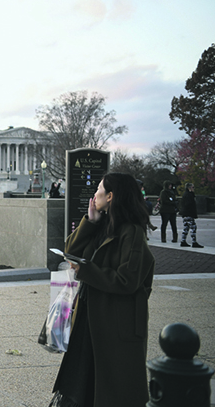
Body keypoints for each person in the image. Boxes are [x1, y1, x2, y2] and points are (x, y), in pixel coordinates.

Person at [49, 173, 154, 407]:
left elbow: (127, 280)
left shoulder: (132, 232)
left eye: (98, 189)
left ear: (110, 196)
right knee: (83, 376)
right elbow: (71, 248)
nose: (94, 194)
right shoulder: (101, 224)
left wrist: (86, 270)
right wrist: (90, 220)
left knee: (111, 385)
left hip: (115, 321)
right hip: (91, 314)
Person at [180, 183, 204, 248]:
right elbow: (189, 204)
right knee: (193, 227)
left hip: (185, 214)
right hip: (189, 214)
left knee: (186, 228)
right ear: (189, 188)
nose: (194, 189)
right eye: (193, 187)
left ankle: (183, 241)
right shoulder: (189, 195)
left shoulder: (185, 194)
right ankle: (194, 242)